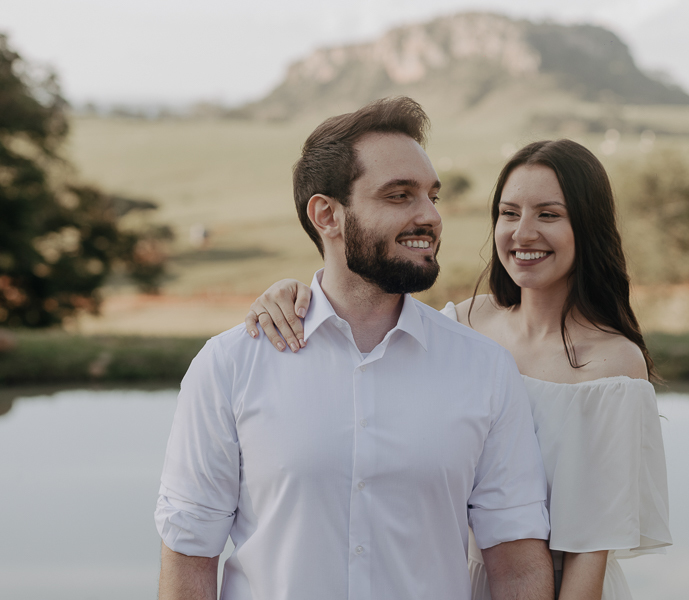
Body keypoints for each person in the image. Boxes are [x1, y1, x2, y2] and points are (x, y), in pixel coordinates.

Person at [156, 96, 556, 600]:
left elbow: (517, 565)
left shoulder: (486, 370)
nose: (429, 216)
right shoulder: (230, 365)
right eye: (399, 196)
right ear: (327, 215)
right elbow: (190, 558)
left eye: (432, 196)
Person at [246, 138, 672, 599]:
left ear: (587, 228)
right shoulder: (463, 323)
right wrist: (291, 294)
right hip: (447, 577)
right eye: (509, 214)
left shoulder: (612, 364)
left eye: (548, 214)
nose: (523, 233)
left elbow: (593, 546)